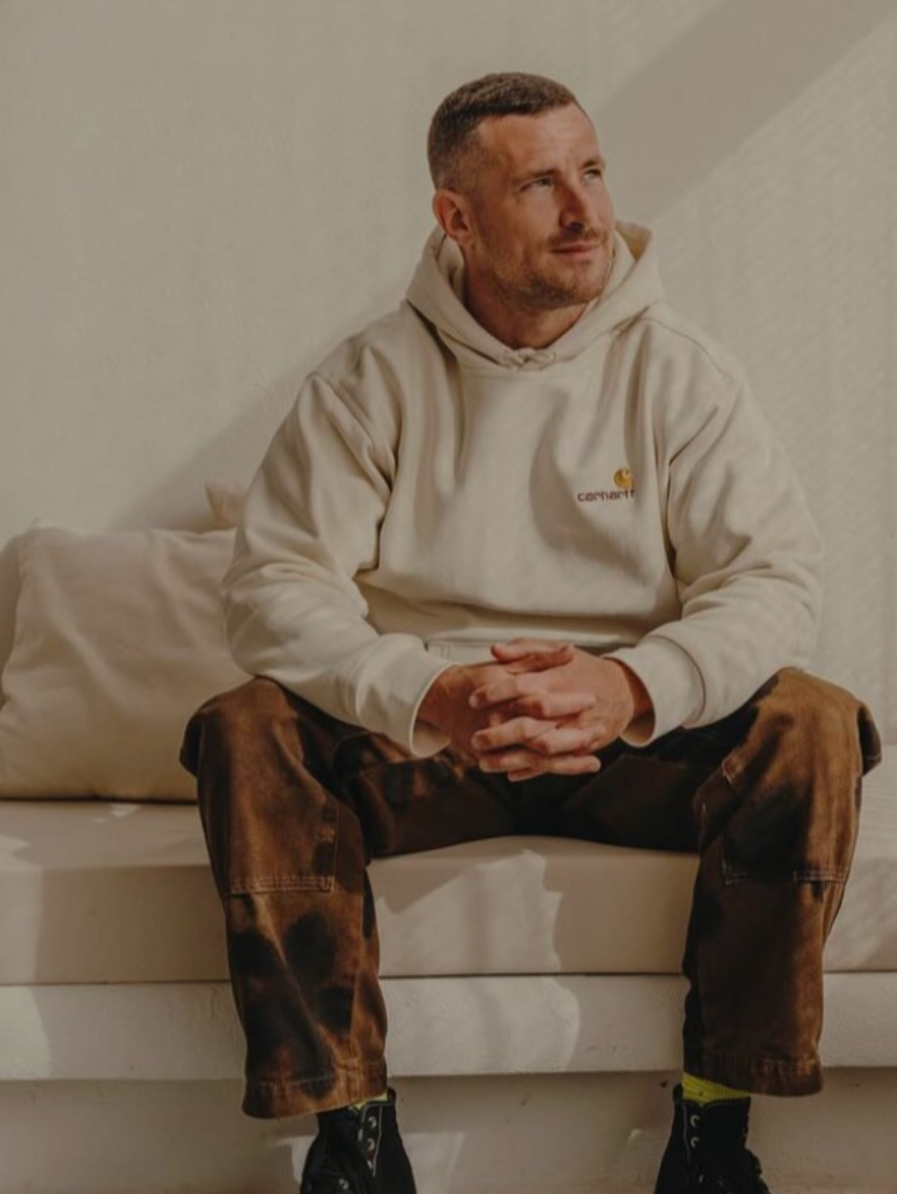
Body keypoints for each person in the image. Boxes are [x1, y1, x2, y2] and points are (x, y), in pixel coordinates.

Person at [180, 72, 881, 1194]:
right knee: (247, 728)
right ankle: (353, 1141)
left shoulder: (683, 374)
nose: (586, 211)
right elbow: (272, 585)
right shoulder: (368, 380)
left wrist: (629, 686)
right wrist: (427, 691)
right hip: (429, 741)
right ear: (456, 217)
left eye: (591, 171)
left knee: (814, 720)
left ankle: (713, 1137)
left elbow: (771, 578)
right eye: (540, 184)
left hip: (632, 742)